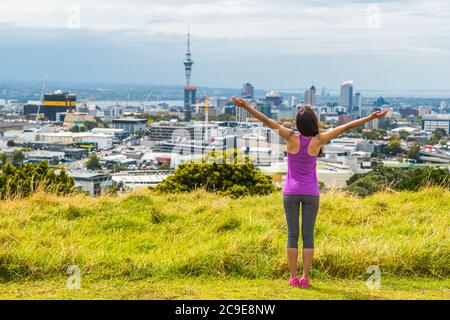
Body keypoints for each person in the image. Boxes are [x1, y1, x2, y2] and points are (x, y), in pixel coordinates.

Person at [231, 97, 388, 288]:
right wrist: (370, 117)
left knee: (292, 235)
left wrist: (245, 106)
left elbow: (266, 121)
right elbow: (346, 128)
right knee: (308, 235)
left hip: (290, 192)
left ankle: (292, 277)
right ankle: (305, 277)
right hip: (311, 193)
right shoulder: (319, 140)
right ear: (313, 122)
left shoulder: (289, 136)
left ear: (298, 123)